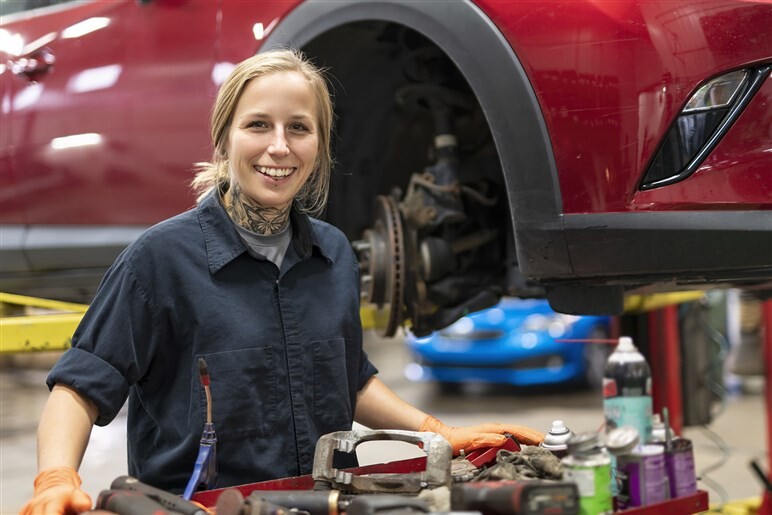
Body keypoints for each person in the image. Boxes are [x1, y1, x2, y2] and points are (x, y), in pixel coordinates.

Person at [20, 48, 544, 515]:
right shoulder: (160, 260)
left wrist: (437, 432)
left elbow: (349, 378)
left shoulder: (332, 253)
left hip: (320, 501)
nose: (279, 147)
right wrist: (56, 478)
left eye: (298, 128)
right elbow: (81, 386)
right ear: (224, 139)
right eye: (257, 125)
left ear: (319, 146)